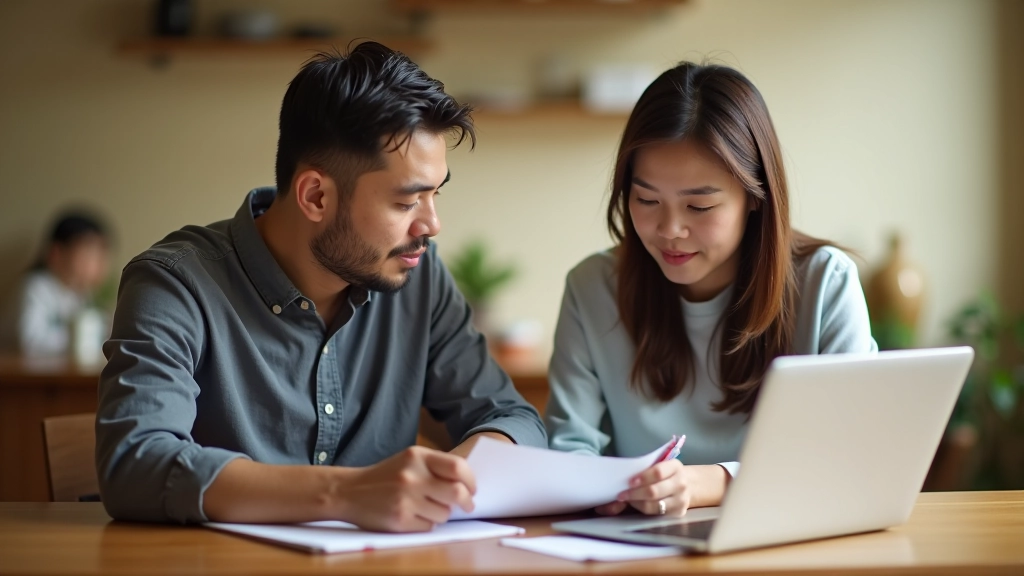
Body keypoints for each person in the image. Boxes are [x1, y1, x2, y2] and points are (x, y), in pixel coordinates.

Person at [95, 42, 546, 532]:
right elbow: (135, 463)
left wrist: (451, 479)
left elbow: (512, 418)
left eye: (436, 194)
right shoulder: (176, 282)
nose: (432, 225)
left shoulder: (420, 273)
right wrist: (346, 494)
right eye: (406, 202)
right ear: (315, 196)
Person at [544, 61, 877, 518]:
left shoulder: (826, 283)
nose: (670, 230)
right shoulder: (592, 288)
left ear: (755, 197)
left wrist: (710, 481)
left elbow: (852, 458)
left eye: (699, 206)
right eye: (646, 200)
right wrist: (600, 488)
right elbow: (569, 450)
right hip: (639, 547)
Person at [0, 211, 111, 356]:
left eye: (100, 256)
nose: (95, 264)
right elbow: (29, 341)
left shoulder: (80, 295)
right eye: (88, 254)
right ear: (56, 253)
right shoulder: (35, 286)